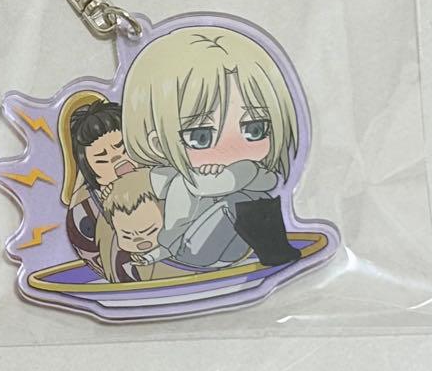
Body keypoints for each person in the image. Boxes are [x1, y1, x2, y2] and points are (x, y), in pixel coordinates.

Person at [121, 26, 302, 271]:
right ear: (159, 144)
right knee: (238, 202)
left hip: (237, 246)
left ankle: (276, 252)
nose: (232, 148)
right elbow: (181, 187)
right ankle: (277, 253)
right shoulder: (177, 178)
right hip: (192, 250)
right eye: (201, 137)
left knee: (249, 201)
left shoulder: (249, 170)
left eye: (255, 129)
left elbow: (260, 182)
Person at [59, 99, 137, 275]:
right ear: (89, 169)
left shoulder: (162, 181)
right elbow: (99, 260)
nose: (119, 161)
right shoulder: (84, 210)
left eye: (123, 149)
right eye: (102, 159)